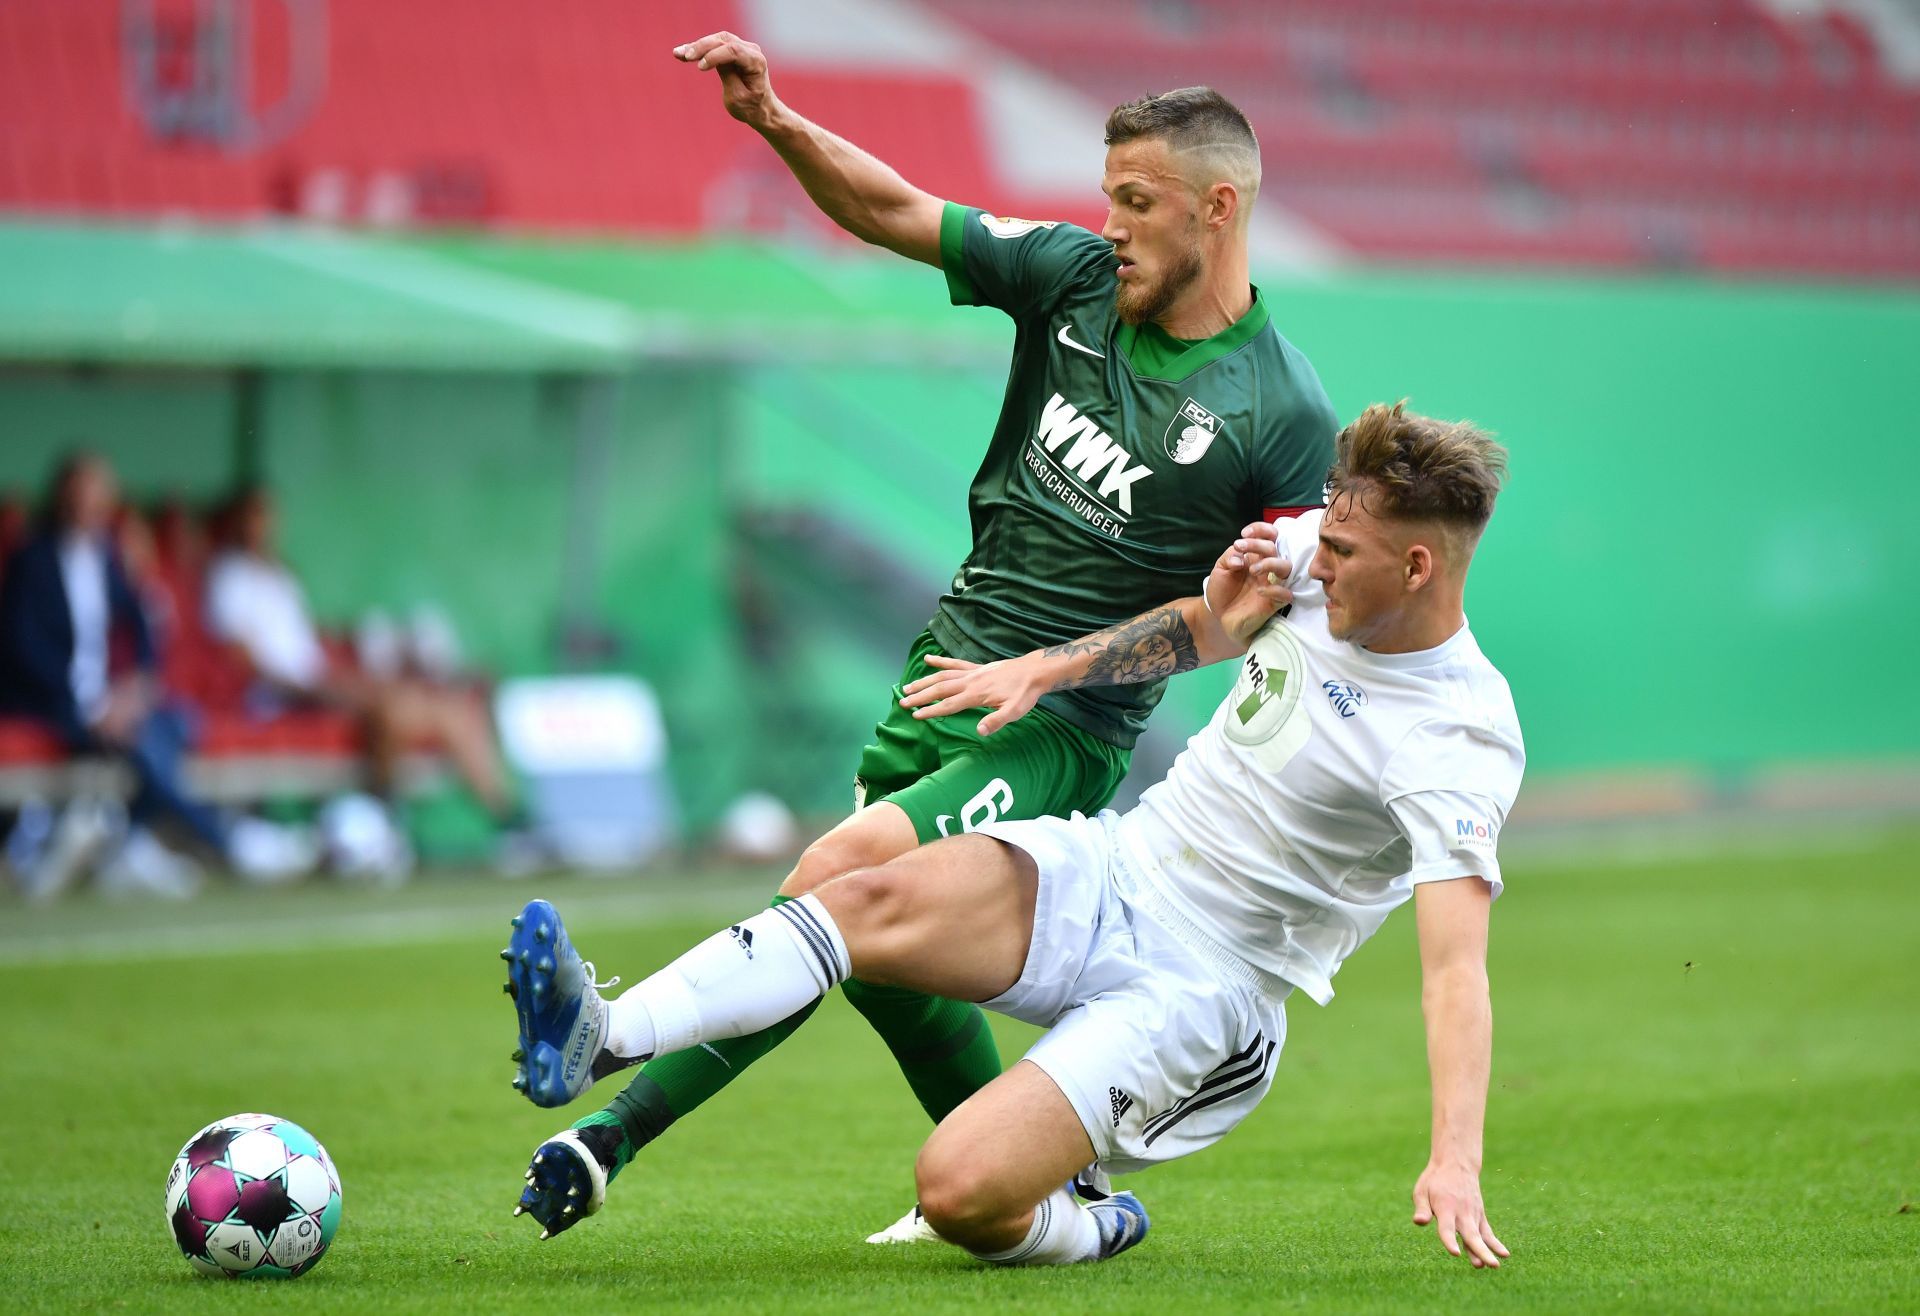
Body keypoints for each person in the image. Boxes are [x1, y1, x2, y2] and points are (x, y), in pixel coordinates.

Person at [510, 31, 1341, 1237]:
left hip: (1058, 728)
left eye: (1138, 202)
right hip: (945, 673)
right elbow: (895, 206)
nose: (1111, 224)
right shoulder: (1067, 280)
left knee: (831, 885)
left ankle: (605, 1113)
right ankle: (1059, 1204)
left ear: (1218, 208)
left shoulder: (1281, 408)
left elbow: (1238, 620)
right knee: (884, 960)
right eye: (1107, 197)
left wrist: (1058, 670)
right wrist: (775, 121)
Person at [502, 403, 1522, 1269]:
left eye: (1342, 553)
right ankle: (603, 1035)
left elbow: (1455, 971)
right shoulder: (1322, 554)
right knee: (860, 884)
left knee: (956, 1188)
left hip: (1209, 987)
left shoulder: (1458, 733)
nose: (1317, 557)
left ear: (1420, 564)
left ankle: (1088, 1219)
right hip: (1121, 863)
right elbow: (1209, 627)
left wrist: (1455, 1156)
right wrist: (1054, 667)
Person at [0, 452, 304, 898]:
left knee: (180, 722)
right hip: (54, 703)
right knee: (142, 743)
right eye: (81, 496)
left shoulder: (105, 556)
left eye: (98, 497)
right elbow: (21, 648)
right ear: (63, 498)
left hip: (106, 700)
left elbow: (140, 623)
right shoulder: (32, 560)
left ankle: (120, 837)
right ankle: (230, 842)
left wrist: (137, 684)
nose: (89, 507)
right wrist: (90, 703)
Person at [203, 486, 524, 837]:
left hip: (318, 677)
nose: (263, 526)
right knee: (394, 706)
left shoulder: (281, 575)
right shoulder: (229, 577)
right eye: (254, 516)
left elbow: (304, 643)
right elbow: (244, 661)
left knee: (453, 709)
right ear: (236, 522)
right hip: (282, 693)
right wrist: (311, 686)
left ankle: (510, 819)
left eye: (268, 516)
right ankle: (385, 818)